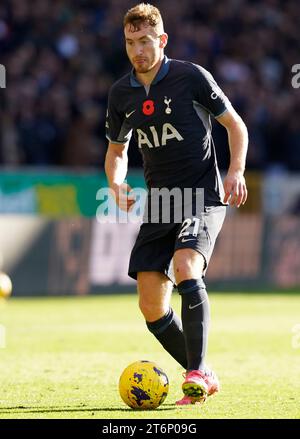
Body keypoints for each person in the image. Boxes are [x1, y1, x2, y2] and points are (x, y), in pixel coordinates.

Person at [105, 3, 248, 406]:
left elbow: (235, 125)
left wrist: (236, 171)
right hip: (161, 202)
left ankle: (197, 373)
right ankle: (202, 371)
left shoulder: (191, 77)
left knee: (186, 265)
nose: (137, 51)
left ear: (162, 40)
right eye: (131, 43)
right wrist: (115, 182)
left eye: (145, 41)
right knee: (151, 306)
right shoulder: (121, 93)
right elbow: (117, 150)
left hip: (201, 194)